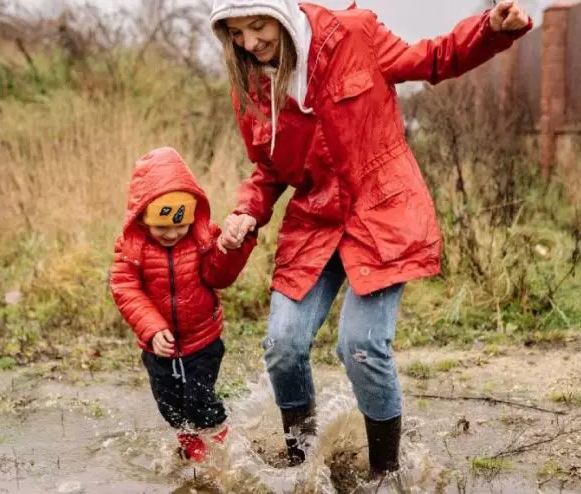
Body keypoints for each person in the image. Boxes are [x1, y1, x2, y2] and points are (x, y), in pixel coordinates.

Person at [209, 0, 531, 475]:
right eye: (237, 34)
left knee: (360, 345)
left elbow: (433, 58)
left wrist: (490, 29)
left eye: (259, 26)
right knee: (283, 343)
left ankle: (386, 474)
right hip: (316, 220)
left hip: (382, 212)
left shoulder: (352, 35)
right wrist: (245, 212)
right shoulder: (251, 84)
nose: (251, 44)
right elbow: (268, 169)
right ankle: (302, 464)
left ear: (283, 12)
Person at [110, 147, 257, 461]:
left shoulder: (202, 237)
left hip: (202, 340)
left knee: (200, 400)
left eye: (180, 225)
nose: (172, 233)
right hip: (158, 347)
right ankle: (194, 453)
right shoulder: (132, 247)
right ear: (143, 216)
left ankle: (224, 453)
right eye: (162, 226)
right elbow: (125, 287)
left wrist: (231, 250)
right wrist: (151, 328)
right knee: (170, 406)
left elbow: (219, 276)